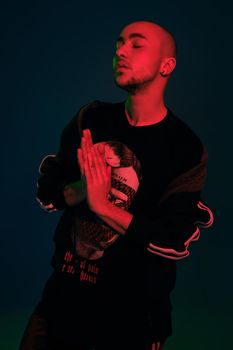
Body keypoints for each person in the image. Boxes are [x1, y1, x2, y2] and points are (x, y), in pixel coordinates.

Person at [19, 20, 214, 350]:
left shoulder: (185, 149)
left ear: (167, 65)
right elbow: (49, 189)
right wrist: (79, 191)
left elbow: (171, 239)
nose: (120, 51)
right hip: (59, 306)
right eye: (118, 44)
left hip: (131, 321)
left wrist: (103, 206)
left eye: (136, 45)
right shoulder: (91, 119)